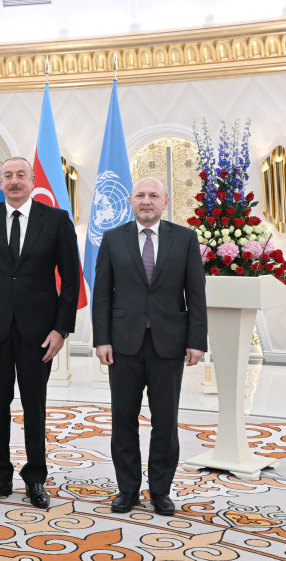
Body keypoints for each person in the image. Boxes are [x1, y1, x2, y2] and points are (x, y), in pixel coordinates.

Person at [0, 157, 81, 508]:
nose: (14, 182)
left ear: (32, 181)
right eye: (8, 176)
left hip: (39, 332)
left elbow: (71, 280)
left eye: (20, 176)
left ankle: (35, 479)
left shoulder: (57, 220)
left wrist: (62, 330)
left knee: (35, 406)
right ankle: (0, 475)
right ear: (0, 182)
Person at [92, 176, 207, 516]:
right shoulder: (113, 240)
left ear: (165, 202)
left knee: (166, 421)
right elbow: (101, 295)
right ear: (130, 201)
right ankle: (127, 490)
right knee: (123, 419)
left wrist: (196, 341)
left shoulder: (185, 239)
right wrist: (102, 338)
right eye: (140, 195)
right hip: (123, 344)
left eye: (153, 195)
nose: (146, 200)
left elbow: (196, 294)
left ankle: (160, 490)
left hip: (168, 345)